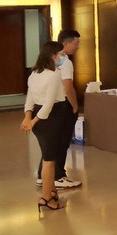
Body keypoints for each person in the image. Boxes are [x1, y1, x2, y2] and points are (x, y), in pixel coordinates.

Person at [21, 41, 69, 215]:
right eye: (61, 54)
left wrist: (28, 117)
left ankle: (52, 191)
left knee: (48, 155)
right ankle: (46, 198)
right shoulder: (53, 75)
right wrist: (33, 121)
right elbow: (49, 105)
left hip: (39, 116)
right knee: (49, 160)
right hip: (52, 117)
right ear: (52, 56)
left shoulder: (34, 73)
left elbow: (30, 99)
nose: (63, 57)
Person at [35, 29, 82, 190]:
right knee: (61, 142)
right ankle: (58, 176)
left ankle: (43, 176)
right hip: (62, 105)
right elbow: (68, 87)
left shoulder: (44, 65)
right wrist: (75, 106)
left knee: (50, 143)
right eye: (76, 43)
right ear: (66, 43)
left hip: (47, 106)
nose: (77, 47)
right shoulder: (65, 62)